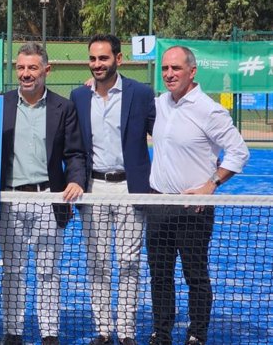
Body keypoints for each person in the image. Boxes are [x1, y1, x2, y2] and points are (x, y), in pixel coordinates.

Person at [0, 42, 86, 345]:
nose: (26, 74)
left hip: (49, 201)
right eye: (21, 67)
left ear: (46, 70)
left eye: (32, 68)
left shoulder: (64, 107)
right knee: (12, 271)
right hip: (8, 201)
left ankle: (49, 333)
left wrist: (76, 180)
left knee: (48, 272)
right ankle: (13, 333)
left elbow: (76, 153)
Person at [147, 46, 249, 345]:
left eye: (175, 68)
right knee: (160, 275)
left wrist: (212, 183)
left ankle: (197, 334)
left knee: (195, 275)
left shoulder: (210, 110)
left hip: (194, 208)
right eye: (165, 68)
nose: (169, 74)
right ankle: (161, 333)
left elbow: (239, 151)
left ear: (192, 71)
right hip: (158, 204)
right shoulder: (160, 103)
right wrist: (93, 86)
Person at [69, 34, 155, 345]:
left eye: (103, 58)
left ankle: (127, 333)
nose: (97, 64)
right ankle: (104, 331)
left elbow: (165, 134)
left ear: (118, 59)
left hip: (131, 190)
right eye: (92, 59)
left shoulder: (142, 94)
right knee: (98, 261)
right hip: (93, 189)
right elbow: (76, 147)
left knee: (129, 262)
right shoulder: (78, 96)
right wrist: (76, 179)